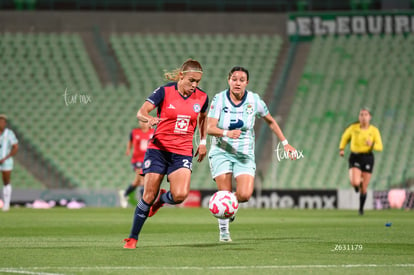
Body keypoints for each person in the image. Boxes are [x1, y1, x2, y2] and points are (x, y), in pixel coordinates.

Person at [123, 59, 209, 249]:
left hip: (183, 152)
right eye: (191, 81)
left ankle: (163, 199)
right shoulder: (164, 91)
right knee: (147, 195)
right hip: (158, 150)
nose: (194, 86)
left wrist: (202, 142)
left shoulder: (202, 98)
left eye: (198, 82)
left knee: (180, 195)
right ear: (181, 76)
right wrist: (149, 118)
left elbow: (203, 120)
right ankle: (132, 238)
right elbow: (141, 112)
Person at [207, 66, 297, 242]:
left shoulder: (255, 101)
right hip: (221, 151)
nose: (237, 83)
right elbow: (209, 128)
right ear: (229, 80)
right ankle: (224, 232)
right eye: (234, 79)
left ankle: (228, 207)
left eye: (241, 80)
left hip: (244, 154)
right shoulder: (219, 99)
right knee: (224, 192)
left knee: (245, 195)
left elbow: (270, 121)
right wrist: (226, 133)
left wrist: (285, 143)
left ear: (247, 82)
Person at [339, 107, 383, 215]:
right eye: (361, 115)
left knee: (364, 187)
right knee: (355, 182)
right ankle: (356, 186)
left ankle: (361, 209)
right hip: (355, 156)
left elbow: (380, 147)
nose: (363, 117)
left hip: (368, 157)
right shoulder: (353, 128)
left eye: (366, 115)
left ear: (370, 117)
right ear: (359, 117)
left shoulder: (374, 130)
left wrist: (371, 144)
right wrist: (342, 149)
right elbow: (345, 137)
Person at [119, 120, 154, 208]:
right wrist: (128, 149)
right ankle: (144, 202)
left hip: (148, 159)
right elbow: (130, 141)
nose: (143, 123)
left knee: (136, 182)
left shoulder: (153, 132)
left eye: (145, 121)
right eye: (141, 121)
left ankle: (124, 194)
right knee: (142, 180)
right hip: (137, 159)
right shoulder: (135, 132)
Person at [0, 114, 19, 212]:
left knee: (6, 181)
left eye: (3, 122)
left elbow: (15, 146)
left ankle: (6, 203)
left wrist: (6, 157)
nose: (1, 123)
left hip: (5, 160)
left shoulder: (9, 133)